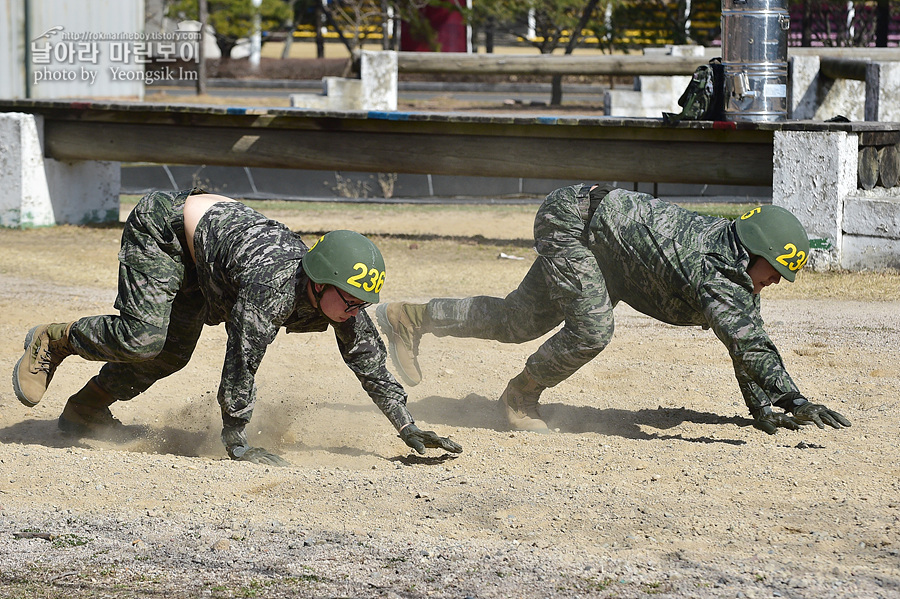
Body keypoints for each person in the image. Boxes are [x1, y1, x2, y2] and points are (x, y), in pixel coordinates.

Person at [12, 189, 462, 465]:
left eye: (363, 302)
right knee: (142, 337)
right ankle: (56, 338)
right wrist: (236, 438)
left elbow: (370, 362)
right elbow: (241, 363)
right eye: (350, 300)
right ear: (319, 283)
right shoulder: (273, 288)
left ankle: (86, 409)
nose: (356, 310)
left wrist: (407, 426)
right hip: (165, 231)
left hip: (209, 263)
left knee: (170, 354)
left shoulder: (339, 298)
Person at [376, 184, 851, 435]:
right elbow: (748, 342)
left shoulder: (734, 273)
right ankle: (519, 398)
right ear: (753, 253)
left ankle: (410, 317)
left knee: (516, 321)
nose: (773, 282)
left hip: (607, 252)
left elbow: (743, 339)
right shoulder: (715, 269)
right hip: (574, 222)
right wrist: (796, 399)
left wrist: (762, 405)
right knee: (591, 328)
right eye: (773, 271)